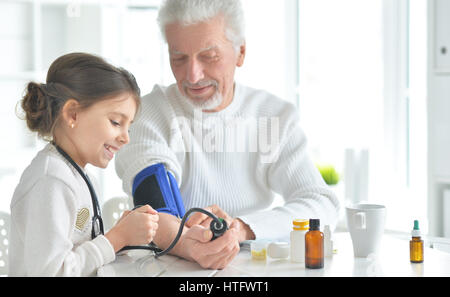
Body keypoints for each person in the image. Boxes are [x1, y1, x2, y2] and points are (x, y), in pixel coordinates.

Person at [115, 0, 340, 270]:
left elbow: (321, 204)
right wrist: (190, 243)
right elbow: (155, 204)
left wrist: (241, 228)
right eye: (179, 57)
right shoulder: (147, 112)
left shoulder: (274, 117)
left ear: (241, 52)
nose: (193, 75)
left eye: (209, 57)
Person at [9, 52, 159, 276]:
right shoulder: (51, 180)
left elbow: (79, 249)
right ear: (73, 114)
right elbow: (52, 272)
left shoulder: (77, 175)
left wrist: (120, 237)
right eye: (116, 122)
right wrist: (115, 239)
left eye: (129, 127)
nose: (126, 137)